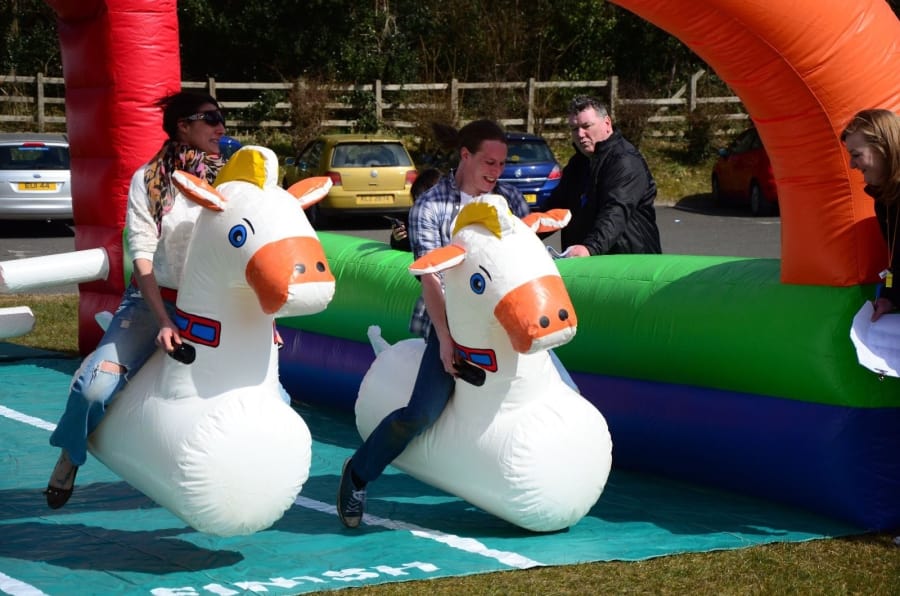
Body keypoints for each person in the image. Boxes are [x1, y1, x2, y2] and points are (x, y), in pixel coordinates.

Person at [337, 119, 531, 528]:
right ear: (465, 155)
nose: (496, 172)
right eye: (488, 162)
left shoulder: (511, 199)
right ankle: (357, 473)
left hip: (505, 331)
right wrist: (445, 341)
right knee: (421, 414)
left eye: (502, 164)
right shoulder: (431, 206)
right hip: (450, 328)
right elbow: (432, 277)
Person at [44, 91, 228, 509]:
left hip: (217, 306)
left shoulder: (232, 180)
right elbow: (142, 254)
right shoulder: (148, 180)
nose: (221, 128)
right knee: (93, 390)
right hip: (154, 300)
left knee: (277, 398)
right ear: (184, 125)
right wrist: (164, 320)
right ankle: (70, 455)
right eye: (212, 118)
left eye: (223, 119)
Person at [544, 95, 662, 257]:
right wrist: (521, 232)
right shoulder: (577, 165)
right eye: (574, 128)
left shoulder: (625, 161)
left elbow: (615, 211)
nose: (580, 134)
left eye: (586, 126)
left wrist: (589, 248)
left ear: (607, 123)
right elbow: (554, 210)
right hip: (588, 265)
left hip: (632, 266)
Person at [841, 109, 900, 322]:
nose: (852, 165)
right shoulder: (885, 201)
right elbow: (895, 262)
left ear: (884, 148)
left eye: (856, 155)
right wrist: (889, 296)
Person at [389, 167, 441, 251]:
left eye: (423, 199)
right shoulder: (412, 217)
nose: (419, 204)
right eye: (416, 198)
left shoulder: (453, 217)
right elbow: (405, 246)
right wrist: (398, 239)